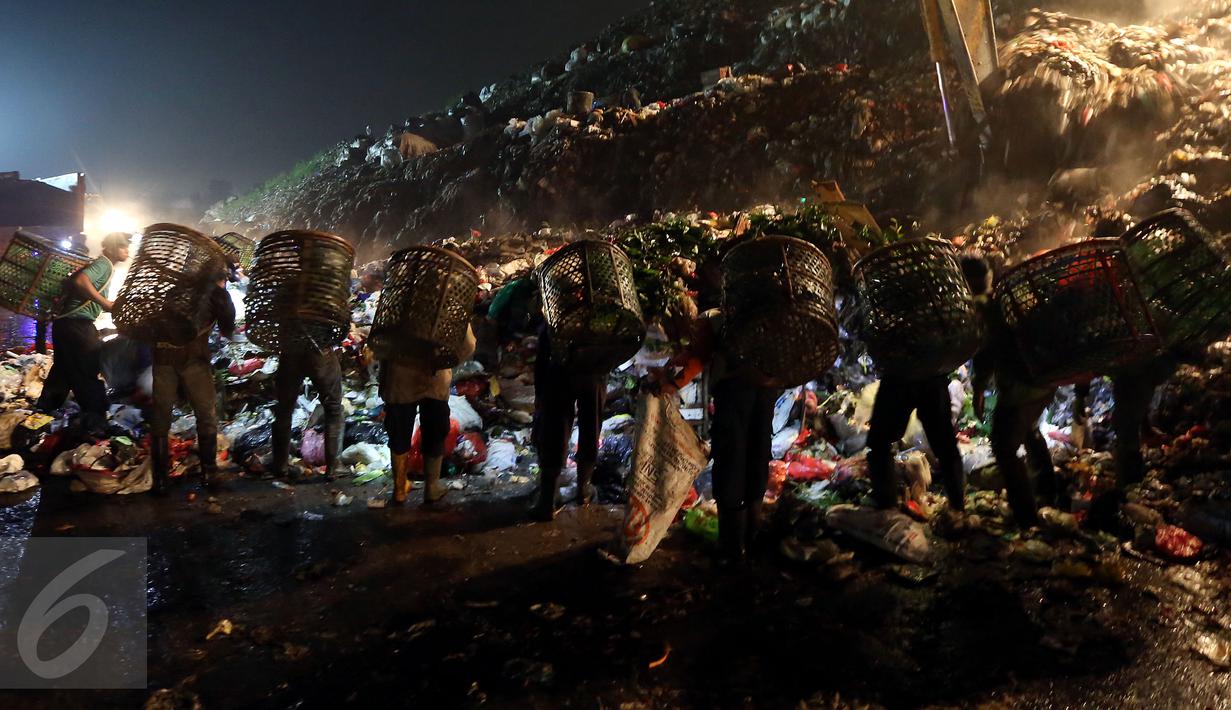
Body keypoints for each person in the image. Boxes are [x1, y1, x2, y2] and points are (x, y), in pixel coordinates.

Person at [658, 301, 775, 563]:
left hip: (734, 396)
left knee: (731, 464)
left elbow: (696, 357)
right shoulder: (773, 318)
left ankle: (732, 547)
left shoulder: (717, 318)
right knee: (758, 458)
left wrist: (665, 381)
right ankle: (751, 539)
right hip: (766, 393)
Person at [969, 254, 1056, 528]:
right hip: (1046, 377)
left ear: (967, 280)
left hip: (1022, 386)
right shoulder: (1007, 297)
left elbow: (985, 352)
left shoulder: (982, 306)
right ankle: (1048, 490)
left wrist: (978, 389)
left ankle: (1026, 518)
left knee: (1002, 447)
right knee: (1028, 430)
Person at [149, 264, 236, 493]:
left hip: (162, 356)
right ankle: (209, 473)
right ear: (222, 277)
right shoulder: (218, 294)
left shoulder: (176, 289)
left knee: (161, 413)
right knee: (205, 413)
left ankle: (160, 480)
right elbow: (228, 328)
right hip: (193, 358)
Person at [36, 232, 132, 431]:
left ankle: (44, 409)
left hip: (65, 325)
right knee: (87, 366)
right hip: (76, 325)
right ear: (112, 248)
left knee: (63, 369)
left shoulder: (106, 265)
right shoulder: (104, 263)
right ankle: (96, 417)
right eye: (123, 246)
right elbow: (81, 281)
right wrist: (104, 302)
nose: (127, 251)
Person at [381, 324, 475, 506]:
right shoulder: (451, 304)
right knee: (435, 430)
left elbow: (381, 337)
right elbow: (469, 344)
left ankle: (400, 489)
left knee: (399, 430)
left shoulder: (400, 300)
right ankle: (432, 487)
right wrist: (446, 361)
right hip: (435, 377)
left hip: (400, 375)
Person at [530, 322, 607, 521]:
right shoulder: (602, 309)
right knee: (591, 429)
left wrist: (539, 391)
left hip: (559, 372)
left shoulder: (557, 306)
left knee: (555, 432)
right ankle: (583, 491)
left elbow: (543, 352)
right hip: (594, 373)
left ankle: (547, 502)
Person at [270, 344, 345, 481]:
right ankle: (333, 467)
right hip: (321, 351)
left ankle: (280, 466)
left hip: (290, 352)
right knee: (333, 409)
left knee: (284, 408)